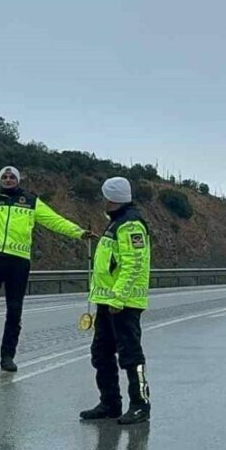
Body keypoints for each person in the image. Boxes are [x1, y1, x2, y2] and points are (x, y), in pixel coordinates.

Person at [0, 143, 92, 372]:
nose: (7, 179)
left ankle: (7, 357)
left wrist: (79, 232)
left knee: (14, 311)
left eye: (11, 176)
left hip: (18, 263)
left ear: (18, 180)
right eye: (4, 176)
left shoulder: (31, 202)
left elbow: (54, 220)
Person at [80, 177, 152, 425]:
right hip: (107, 301)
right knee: (101, 353)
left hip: (124, 303)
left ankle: (141, 405)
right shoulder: (116, 223)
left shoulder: (130, 225)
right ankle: (110, 403)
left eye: (104, 196)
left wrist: (119, 297)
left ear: (111, 198)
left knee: (131, 356)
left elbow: (134, 265)